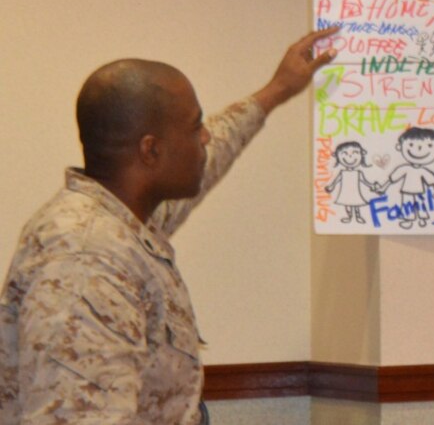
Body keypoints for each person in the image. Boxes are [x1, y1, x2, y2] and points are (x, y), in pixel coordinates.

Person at [0, 28, 337, 424]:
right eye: (195, 127)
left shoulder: (121, 222)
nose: (206, 137)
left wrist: (275, 92)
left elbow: (211, 157)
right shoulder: (87, 259)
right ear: (151, 150)